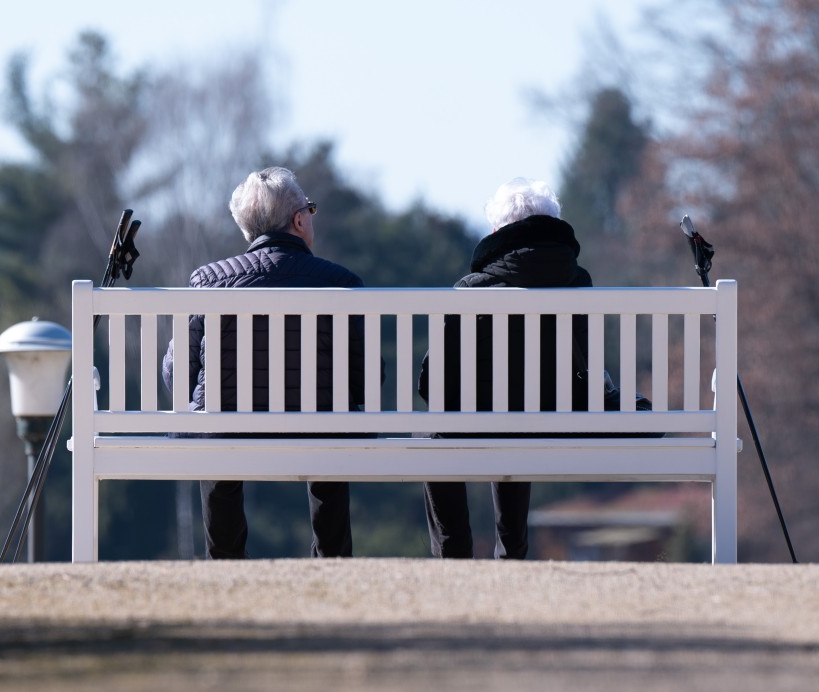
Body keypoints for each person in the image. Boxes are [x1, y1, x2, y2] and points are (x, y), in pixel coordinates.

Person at [162, 166, 379, 559]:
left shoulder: (208, 281)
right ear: (298, 220)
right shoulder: (340, 283)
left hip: (225, 432)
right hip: (321, 431)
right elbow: (366, 381)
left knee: (212, 421)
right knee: (333, 420)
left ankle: (224, 562)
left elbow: (177, 375)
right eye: (310, 209)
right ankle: (332, 561)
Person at [417, 178, 597, 559]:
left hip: (481, 419)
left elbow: (435, 382)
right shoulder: (579, 282)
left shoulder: (471, 288)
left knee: (438, 429)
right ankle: (512, 551)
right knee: (522, 412)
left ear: (498, 232)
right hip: (561, 419)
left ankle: (453, 554)